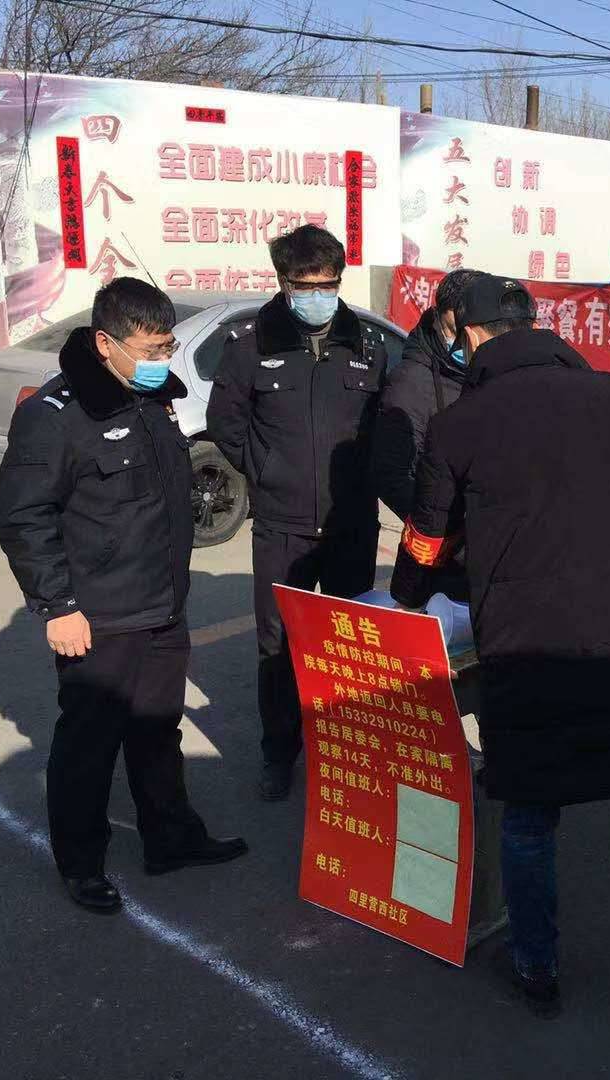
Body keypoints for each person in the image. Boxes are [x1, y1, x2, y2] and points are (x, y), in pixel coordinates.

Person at [391, 275, 610, 1025]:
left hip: (524, 648)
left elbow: (426, 542)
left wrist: (412, 590)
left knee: (530, 815)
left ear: (469, 333)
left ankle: (536, 968)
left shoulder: (459, 425)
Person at [0, 278, 247, 914]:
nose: (163, 359)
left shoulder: (153, 395)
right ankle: (81, 864)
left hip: (163, 603)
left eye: (168, 346)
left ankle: (171, 837)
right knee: (89, 745)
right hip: (100, 613)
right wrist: (58, 606)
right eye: (150, 349)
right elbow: (24, 518)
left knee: (157, 730)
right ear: (105, 343)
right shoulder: (56, 415)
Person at [206, 225, 388, 801]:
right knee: (278, 644)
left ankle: (345, 752)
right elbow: (225, 422)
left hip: (351, 525)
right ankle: (279, 752)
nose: (316, 296)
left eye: (327, 285)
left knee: (351, 647)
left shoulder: (367, 346)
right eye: (304, 286)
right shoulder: (249, 344)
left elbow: (386, 428)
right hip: (282, 526)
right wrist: (265, 470)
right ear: (283, 282)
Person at [372, 267, 480, 601]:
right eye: (457, 329)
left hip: (483, 549)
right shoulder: (412, 382)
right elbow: (392, 475)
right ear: (439, 315)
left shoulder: (486, 374)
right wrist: (440, 525)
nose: (467, 340)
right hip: (438, 552)